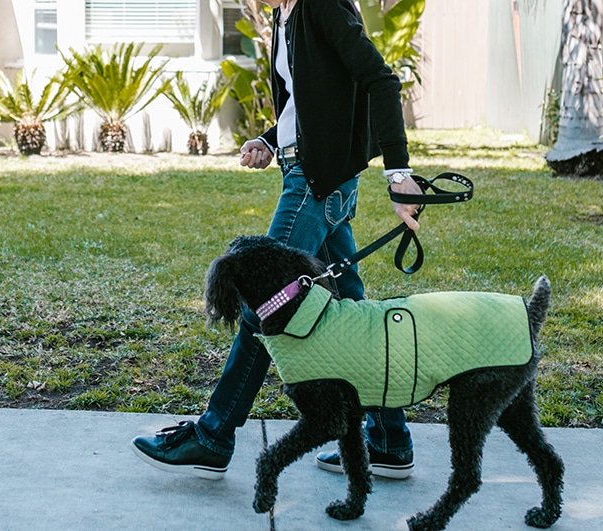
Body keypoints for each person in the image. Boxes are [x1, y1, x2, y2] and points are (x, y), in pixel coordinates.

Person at [131, 0, 422, 481]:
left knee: (262, 300)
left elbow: (380, 80)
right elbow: (311, 100)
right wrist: (271, 141)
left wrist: (399, 174)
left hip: (315, 181)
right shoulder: (283, 14)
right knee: (351, 309)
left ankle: (213, 435)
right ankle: (390, 440)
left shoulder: (321, 6)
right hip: (306, 172)